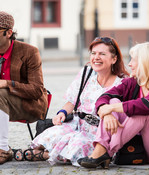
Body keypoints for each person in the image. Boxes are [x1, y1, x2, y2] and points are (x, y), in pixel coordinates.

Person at [14, 37, 129, 166]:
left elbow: (125, 112)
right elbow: (71, 101)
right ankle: (37, 152)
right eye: (93, 53)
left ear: (114, 59)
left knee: (77, 147)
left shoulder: (123, 82)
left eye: (102, 54)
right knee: (52, 136)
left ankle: (42, 155)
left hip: (98, 133)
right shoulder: (86, 73)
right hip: (76, 124)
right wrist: (62, 113)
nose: (96, 57)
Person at [0, 11, 48, 166]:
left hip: (29, 105)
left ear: (9, 33)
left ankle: (2, 148)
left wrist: (7, 83)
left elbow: (36, 90)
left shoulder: (29, 52)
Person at [78, 42, 149, 169]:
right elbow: (104, 97)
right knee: (113, 100)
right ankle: (101, 150)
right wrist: (107, 114)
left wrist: (111, 108)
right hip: (135, 145)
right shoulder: (132, 83)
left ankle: (106, 152)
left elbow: (146, 104)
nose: (129, 64)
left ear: (144, 62)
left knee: (141, 113)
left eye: (133, 60)